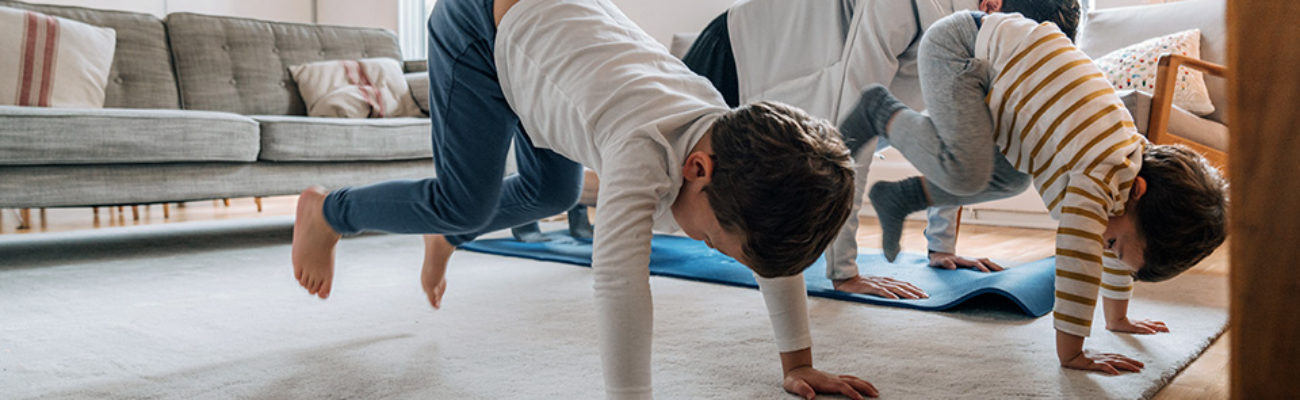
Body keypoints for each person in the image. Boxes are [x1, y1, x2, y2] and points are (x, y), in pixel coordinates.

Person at [291, 0, 877, 398]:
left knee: (554, 189)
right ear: (696, 169)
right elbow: (620, 284)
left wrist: (796, 363)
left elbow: (770, 241)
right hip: (479, 26)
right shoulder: (640, 150)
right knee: (462, 201)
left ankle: (448, 231)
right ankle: (328, 211)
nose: (710, 246)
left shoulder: (732, 147)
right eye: (710, 238)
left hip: (551, 41)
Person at [845, 11, 1228, 373]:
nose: (1106, 245)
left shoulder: (1125, 173)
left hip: (1002, 77)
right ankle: (880, 110)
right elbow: (1078, 257)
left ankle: (902, 197)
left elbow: (1110, 247)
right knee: (967, 173)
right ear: (1139, 193)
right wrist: (1074, 351)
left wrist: (1118, 319)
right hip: (965, 50)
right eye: (1115, 244)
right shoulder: (1101, 172)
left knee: (1009, 180)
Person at [678, 0, 1084, 297]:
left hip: (799, 91)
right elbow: (853, 119)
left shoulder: (980, 40)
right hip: (738, 55)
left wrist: (942, 247)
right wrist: (844, 271)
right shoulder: (903, 7)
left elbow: (964, 140)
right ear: (993, 7)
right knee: (668, 192)